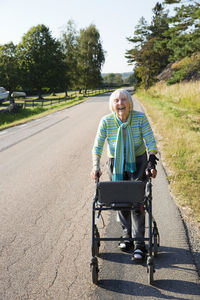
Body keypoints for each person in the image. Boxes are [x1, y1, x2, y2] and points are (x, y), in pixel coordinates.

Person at [91, 88, 158, 260]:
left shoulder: (140, 118)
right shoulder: (106, 121)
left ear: (130, 103)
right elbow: (98, 146)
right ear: (112, 105)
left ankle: (139, 244)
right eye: (116, 101)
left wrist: (151, 161)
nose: (120, 103)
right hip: (117, 164)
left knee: (137, 203)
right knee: (120, 201)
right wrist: (95, 166)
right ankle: (126, 235)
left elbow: (150, 140)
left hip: (139, 162)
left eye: (123, 100)